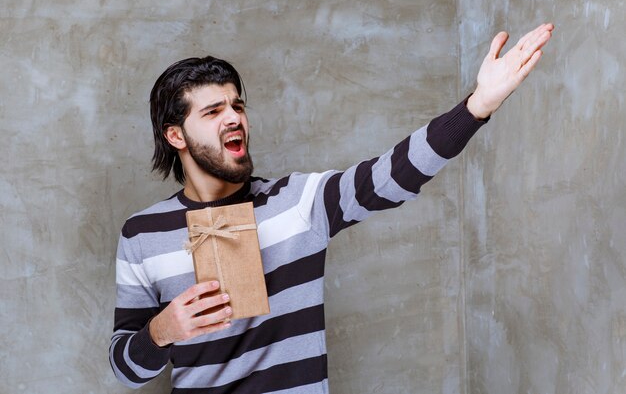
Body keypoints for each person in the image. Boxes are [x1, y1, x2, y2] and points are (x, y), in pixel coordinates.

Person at [109, 23, 554, 393]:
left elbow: (392, 174)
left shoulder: (298, 202)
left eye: (237, 105)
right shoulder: (141, 234)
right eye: (212, 111)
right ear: (175, 136)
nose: (234, 118)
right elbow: (124, 369)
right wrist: (162, 331)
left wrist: (477, 107)